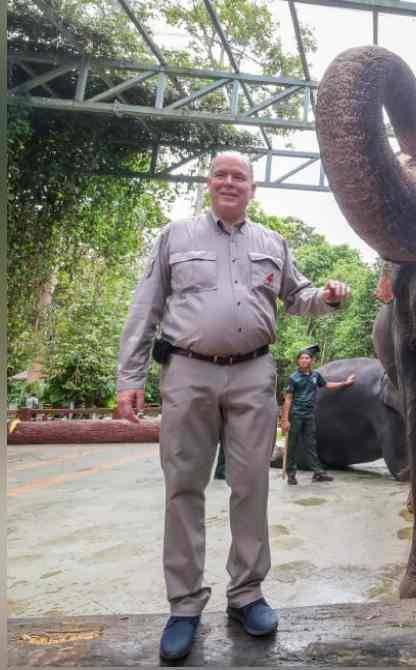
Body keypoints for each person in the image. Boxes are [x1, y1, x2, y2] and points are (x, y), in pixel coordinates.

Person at [115, 151, 352, 661]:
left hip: (252, 374)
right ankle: (183, 605)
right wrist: (129, 378)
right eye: (221, 174)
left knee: (251, 485)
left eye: (239, 176)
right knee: (184, 486)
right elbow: (145, 307)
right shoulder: (175, 238)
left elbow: (298, 296)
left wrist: (329, 297)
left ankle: (247, 594)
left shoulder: (273, 243)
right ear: (209, 183)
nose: (229, 181)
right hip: (187, 371)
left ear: (252, 187)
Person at [281, 345, 356, 485]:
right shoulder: (293, 378)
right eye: (302, 358)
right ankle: (291, 474)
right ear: (298, 361)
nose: (304, 360)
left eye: (307, 358)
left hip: (309, 415)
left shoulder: (316, 376)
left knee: (311, 444)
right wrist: (285, 420)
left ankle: (318, 473)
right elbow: (288, 399)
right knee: (292, 445)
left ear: (311, 360)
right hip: (296, 414)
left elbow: (327, 385)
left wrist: (345, 383)